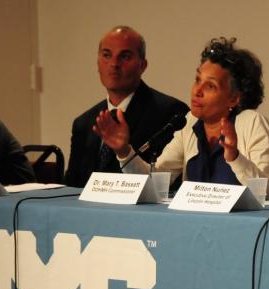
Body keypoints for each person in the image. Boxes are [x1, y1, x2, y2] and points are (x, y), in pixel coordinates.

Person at [94, 37, 269, 199]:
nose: (197, 91)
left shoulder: (251, 123)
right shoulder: (189, 124)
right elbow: (154, 185)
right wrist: (124, 151)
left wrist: (235, 157)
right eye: (197, 80)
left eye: (210, 86)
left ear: (234, 98)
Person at [64, 25, 189, 187]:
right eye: (107, 55)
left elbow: (165, 185)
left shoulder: (170, 113)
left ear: (142, 65)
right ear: (97, 63)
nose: (114, 64)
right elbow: (72, 185)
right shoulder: (84, 123)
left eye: (124, 56)